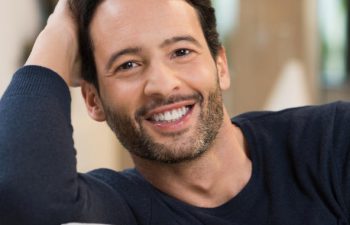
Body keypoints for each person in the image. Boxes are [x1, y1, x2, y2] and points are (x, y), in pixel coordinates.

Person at [0, 0, 349, 224]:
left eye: (181, 52)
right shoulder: (117, 209)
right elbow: (24, 199)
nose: (163, 86)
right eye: (128, 64)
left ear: (220, 65)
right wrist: (59, 30)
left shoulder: (330, 143)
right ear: (93, 100)